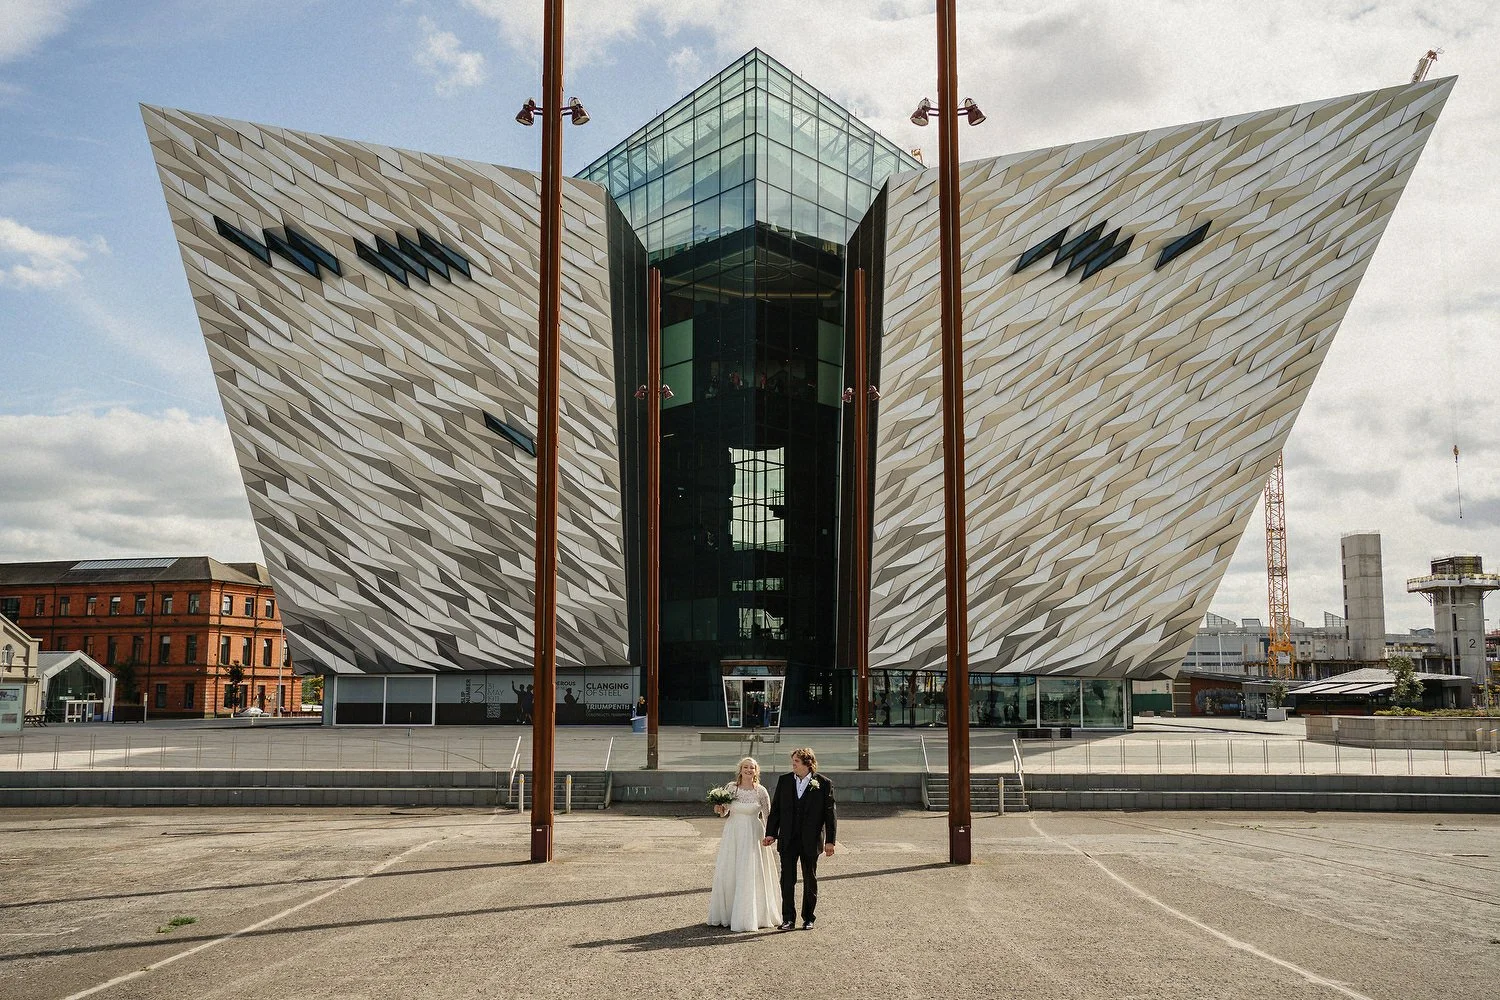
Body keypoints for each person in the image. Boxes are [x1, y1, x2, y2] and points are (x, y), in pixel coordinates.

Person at [763, 747, 836, 931]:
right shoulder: (784, 780)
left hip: (811, 840)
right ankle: (788, 918)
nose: (793, 764)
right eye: (793, 761)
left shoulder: (824, 783)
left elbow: (830, 814)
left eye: (796, 761)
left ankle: (808, 918)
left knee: (810, 878)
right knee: (787, 880)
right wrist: (771, 833)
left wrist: (830, 841)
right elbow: (776, 809)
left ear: (807, 763)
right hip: (788, 839)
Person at [706, 757, 780, 932]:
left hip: (754, 833)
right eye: (745, 767)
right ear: (740, 770)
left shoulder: (761, 791)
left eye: (752, 768)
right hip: (733, 833)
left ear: (756, 771)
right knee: (731, 870)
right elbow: (724, 812)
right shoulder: (731, 788)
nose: (748, 770)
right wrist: (718, 808)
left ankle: (753, 914)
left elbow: (769, 815)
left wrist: (771, 836)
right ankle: (729, 913)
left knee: (751, 870)